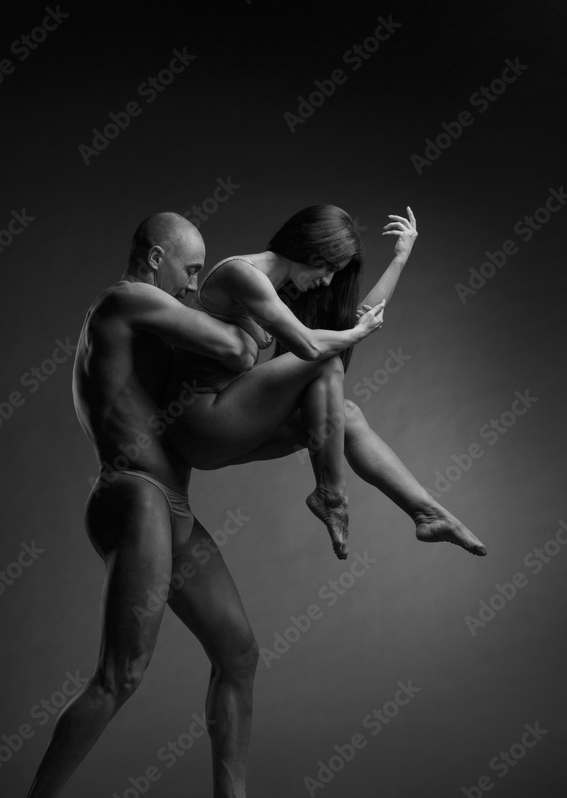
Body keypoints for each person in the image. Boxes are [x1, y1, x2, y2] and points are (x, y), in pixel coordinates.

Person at [6, 211, 348, 798]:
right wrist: (261, 317)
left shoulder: (154, 322)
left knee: (239, 653)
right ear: (156, 256)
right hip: (134, 495)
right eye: (191, 271)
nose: (196, 286)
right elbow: (237, 349)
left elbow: (218, 394)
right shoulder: (126, 298)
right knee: (122, 673)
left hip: (173, 504)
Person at [166, 204, 487, 557]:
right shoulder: (241, 273)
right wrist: (357, 335)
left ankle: (427, 513)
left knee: (345, 414)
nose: (329, 280)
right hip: (197, 423)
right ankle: (331, 496)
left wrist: (399, 260)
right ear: (310, 250)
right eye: (329, 268)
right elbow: (309, 345)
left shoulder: (282, 289)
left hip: (227, 428)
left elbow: (358, 320)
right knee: (326, 361)